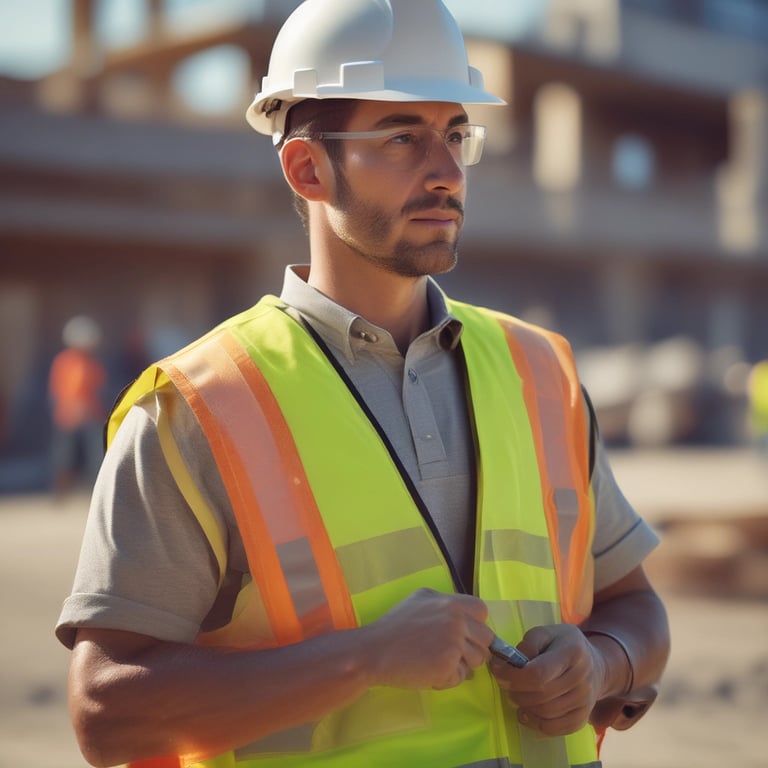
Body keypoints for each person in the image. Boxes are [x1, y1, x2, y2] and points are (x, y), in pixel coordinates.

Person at [56, 2, 669, 766]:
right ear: (308, 168)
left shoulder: (539, 370)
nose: (446, 172)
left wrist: (601, 663)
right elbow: (107, 711)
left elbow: (636, 607)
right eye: (402, 137)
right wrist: (363, 659)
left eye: (454, 134)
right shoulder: (197, 407)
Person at [48, 315, 107, 494]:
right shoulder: (64, 362)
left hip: (90, 416)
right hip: (68, 417)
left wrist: (91, 411)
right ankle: (60, 491)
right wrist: (72, 409)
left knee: (95, 455)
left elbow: (98, 390)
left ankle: (97, 490)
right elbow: (59, 390)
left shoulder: (92, 364)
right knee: (63, 456)